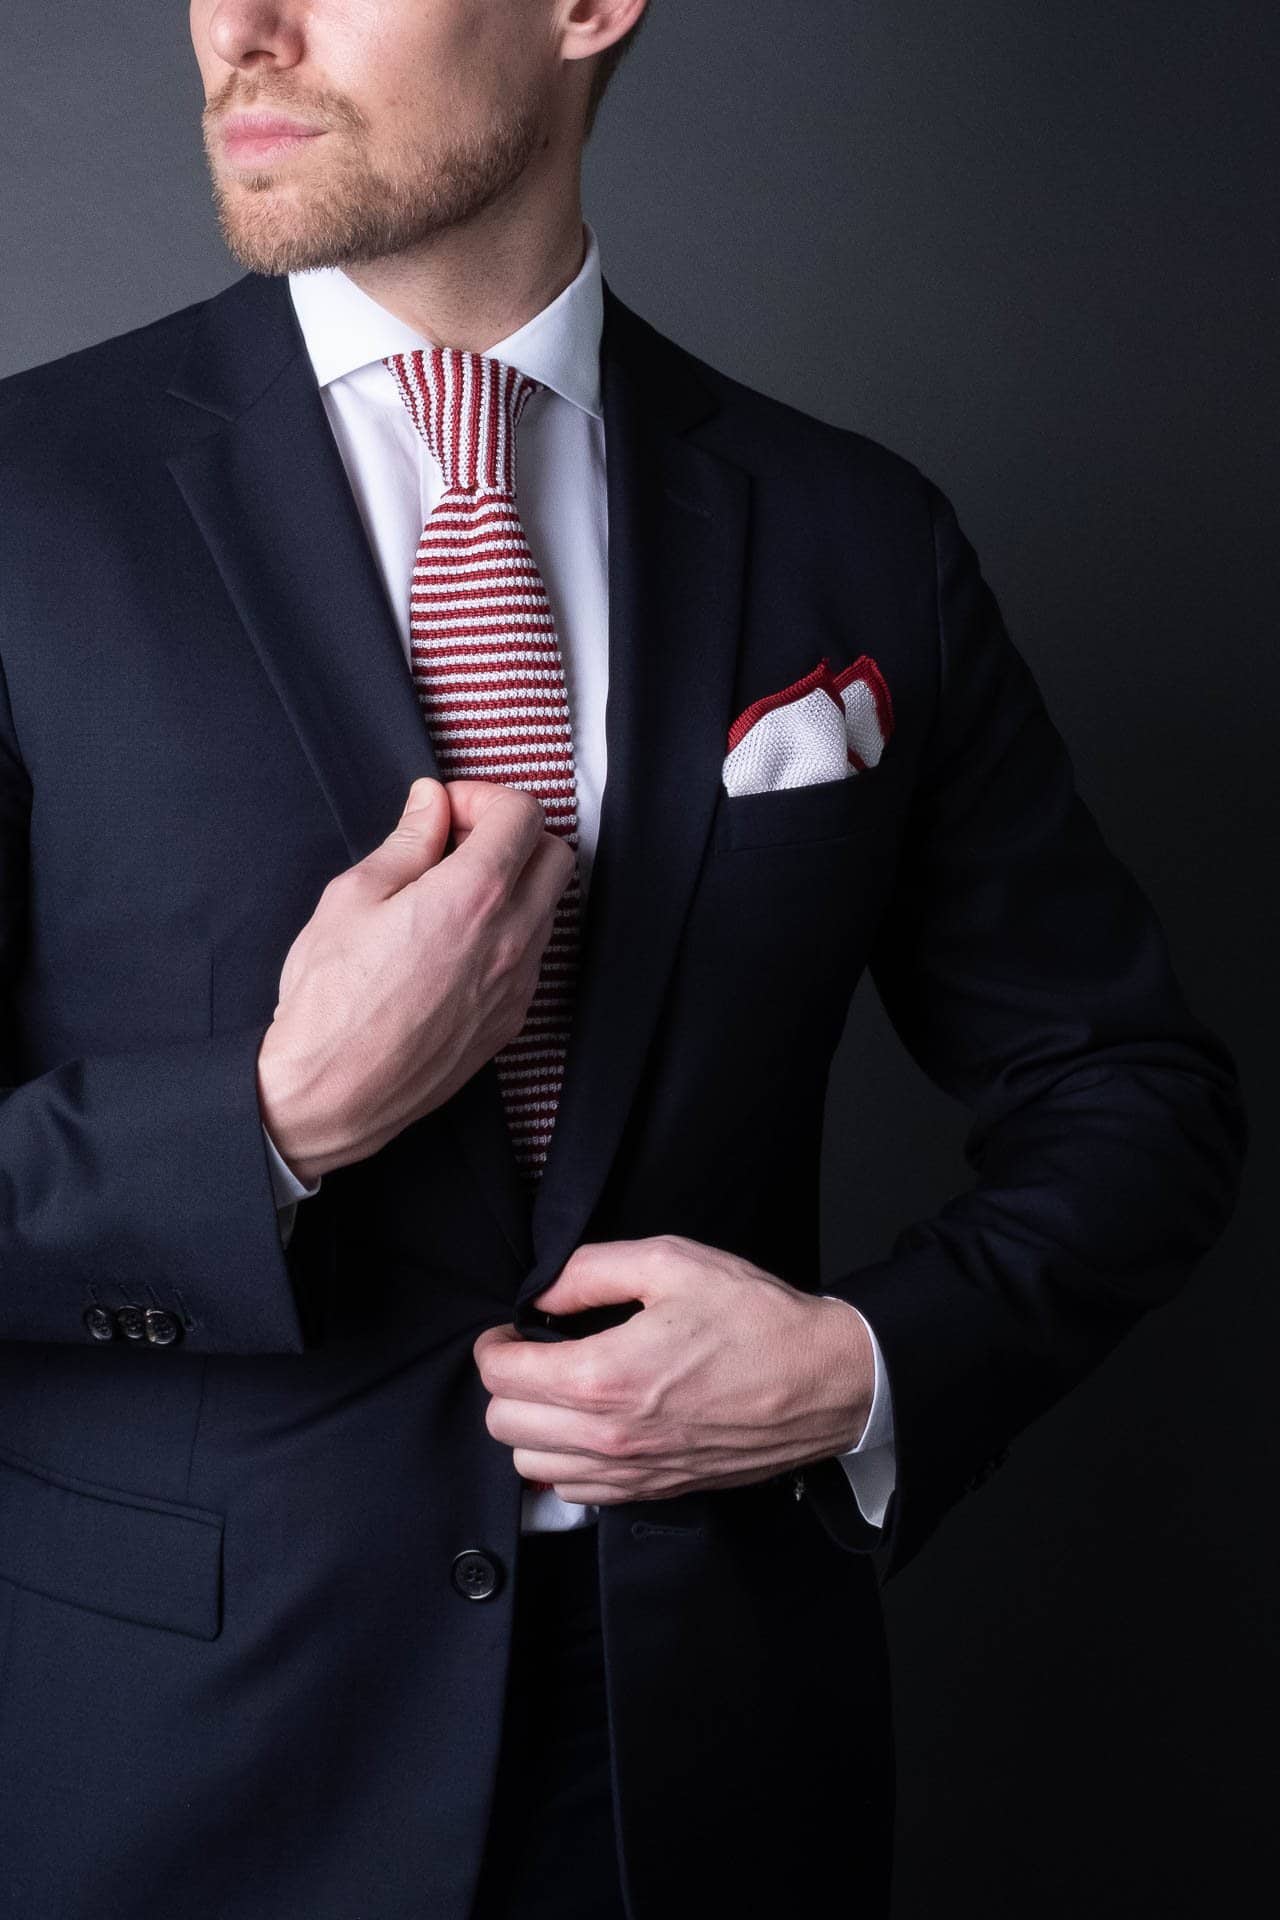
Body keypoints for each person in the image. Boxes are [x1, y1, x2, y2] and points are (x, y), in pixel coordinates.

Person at [0, 3, 1247, 1916]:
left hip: (710, 1773)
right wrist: (263, 1125)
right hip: (184, 1777)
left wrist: (859, 1368)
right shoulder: (21, 506)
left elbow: (1134, 1096)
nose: (239, 30)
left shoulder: (856, 531)